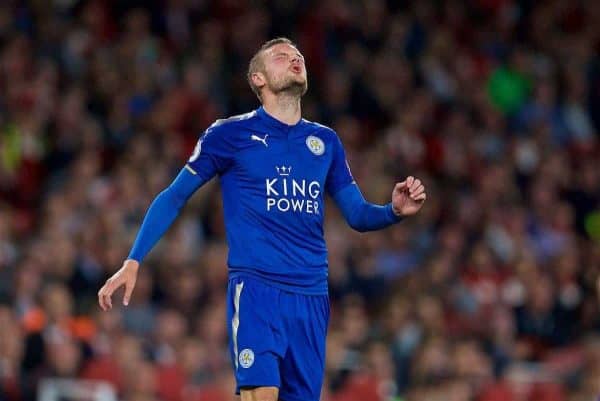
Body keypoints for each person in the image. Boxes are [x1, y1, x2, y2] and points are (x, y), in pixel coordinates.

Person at [98, 37, 427, 401]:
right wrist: (133, 259)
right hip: (257, 289)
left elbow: (357, 214)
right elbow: (174, 196)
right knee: (262, 395)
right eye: (282, 56)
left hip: (311, 296)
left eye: (299, 55)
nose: (295, 58)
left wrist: (393, 211)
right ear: (258, 79)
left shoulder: (325, 142)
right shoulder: (229, 134)